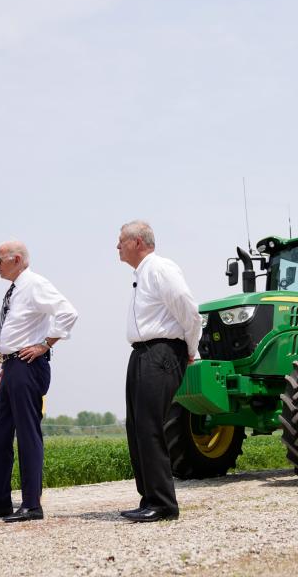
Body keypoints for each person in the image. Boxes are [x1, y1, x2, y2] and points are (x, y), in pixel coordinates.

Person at [0, 240, 78, 523]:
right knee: (0, 435)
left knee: (26, 434)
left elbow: (68, 312)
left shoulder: (35, 284)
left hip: (27, 365)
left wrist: (45, 344)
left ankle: (32, 504)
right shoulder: (14, 290)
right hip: (9, 367)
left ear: (17, 259)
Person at [117, 221, 202, 522]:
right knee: (136, 426)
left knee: (150, 426)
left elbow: (190, 313)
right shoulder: (142, 275)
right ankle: (149, 498)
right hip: (142, 354)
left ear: (138, 242)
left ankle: (165, 503)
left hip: (162, 352)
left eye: (121, 241)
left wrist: (190, 350)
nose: (117, 247)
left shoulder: (160, 268)